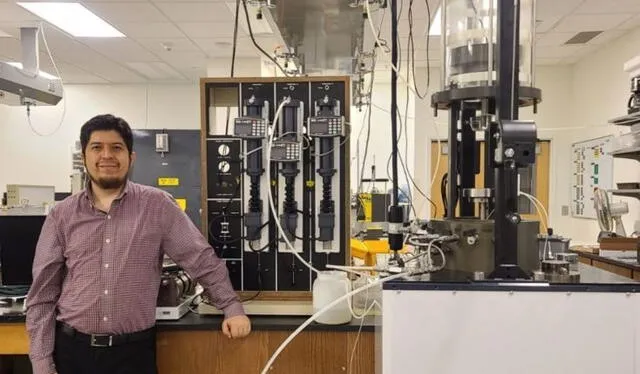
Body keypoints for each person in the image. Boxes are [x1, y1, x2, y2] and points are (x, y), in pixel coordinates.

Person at [26, 114, 251, 374]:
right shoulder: (62, 215)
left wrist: (231, 307)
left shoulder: (157, 206)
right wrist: (42, 363)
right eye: (97, 147)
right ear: (85, 157)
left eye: (116, 147)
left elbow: (200, 259)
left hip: (133, 355)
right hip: (73, 353)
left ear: (131, 157)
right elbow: (42, 294)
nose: (107, 155)